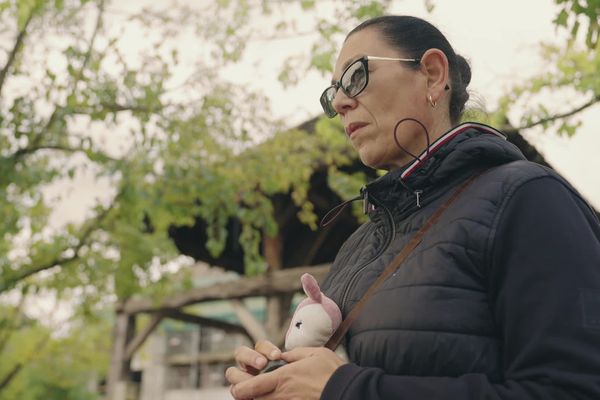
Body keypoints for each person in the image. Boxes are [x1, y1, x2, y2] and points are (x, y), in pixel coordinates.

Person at [225, 15, 600, 399]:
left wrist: (347, 389)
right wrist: (277, 377)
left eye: (355, 76)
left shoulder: (528, 198)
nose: (339, 103)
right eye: (331, 93)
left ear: (433, 74)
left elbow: (574, 389)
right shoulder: (359, 245)